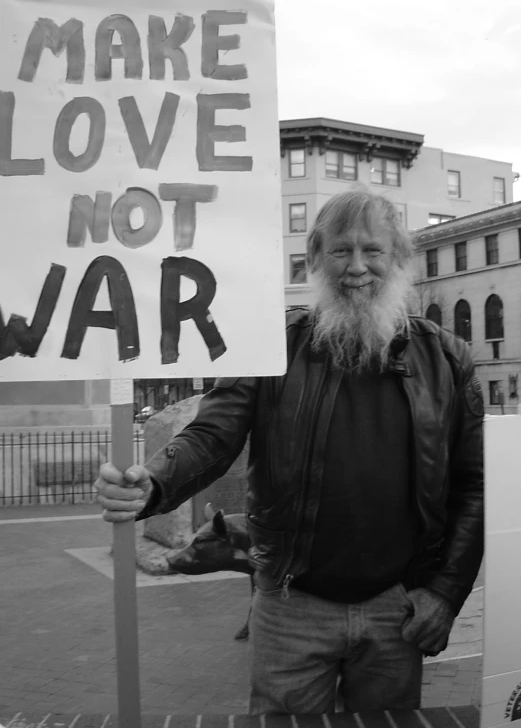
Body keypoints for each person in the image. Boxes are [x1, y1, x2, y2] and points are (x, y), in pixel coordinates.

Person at [95, 187, 484, 714]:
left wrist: (445, 593)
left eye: (373, 251)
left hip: (400, 607)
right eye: (340, 251)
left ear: (399, 258)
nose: (356, 267)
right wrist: (154, 482)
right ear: (316, 257)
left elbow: (474, 489)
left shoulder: (448, 358)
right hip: (290, 606)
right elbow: (212, 435)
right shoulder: (272, 345)